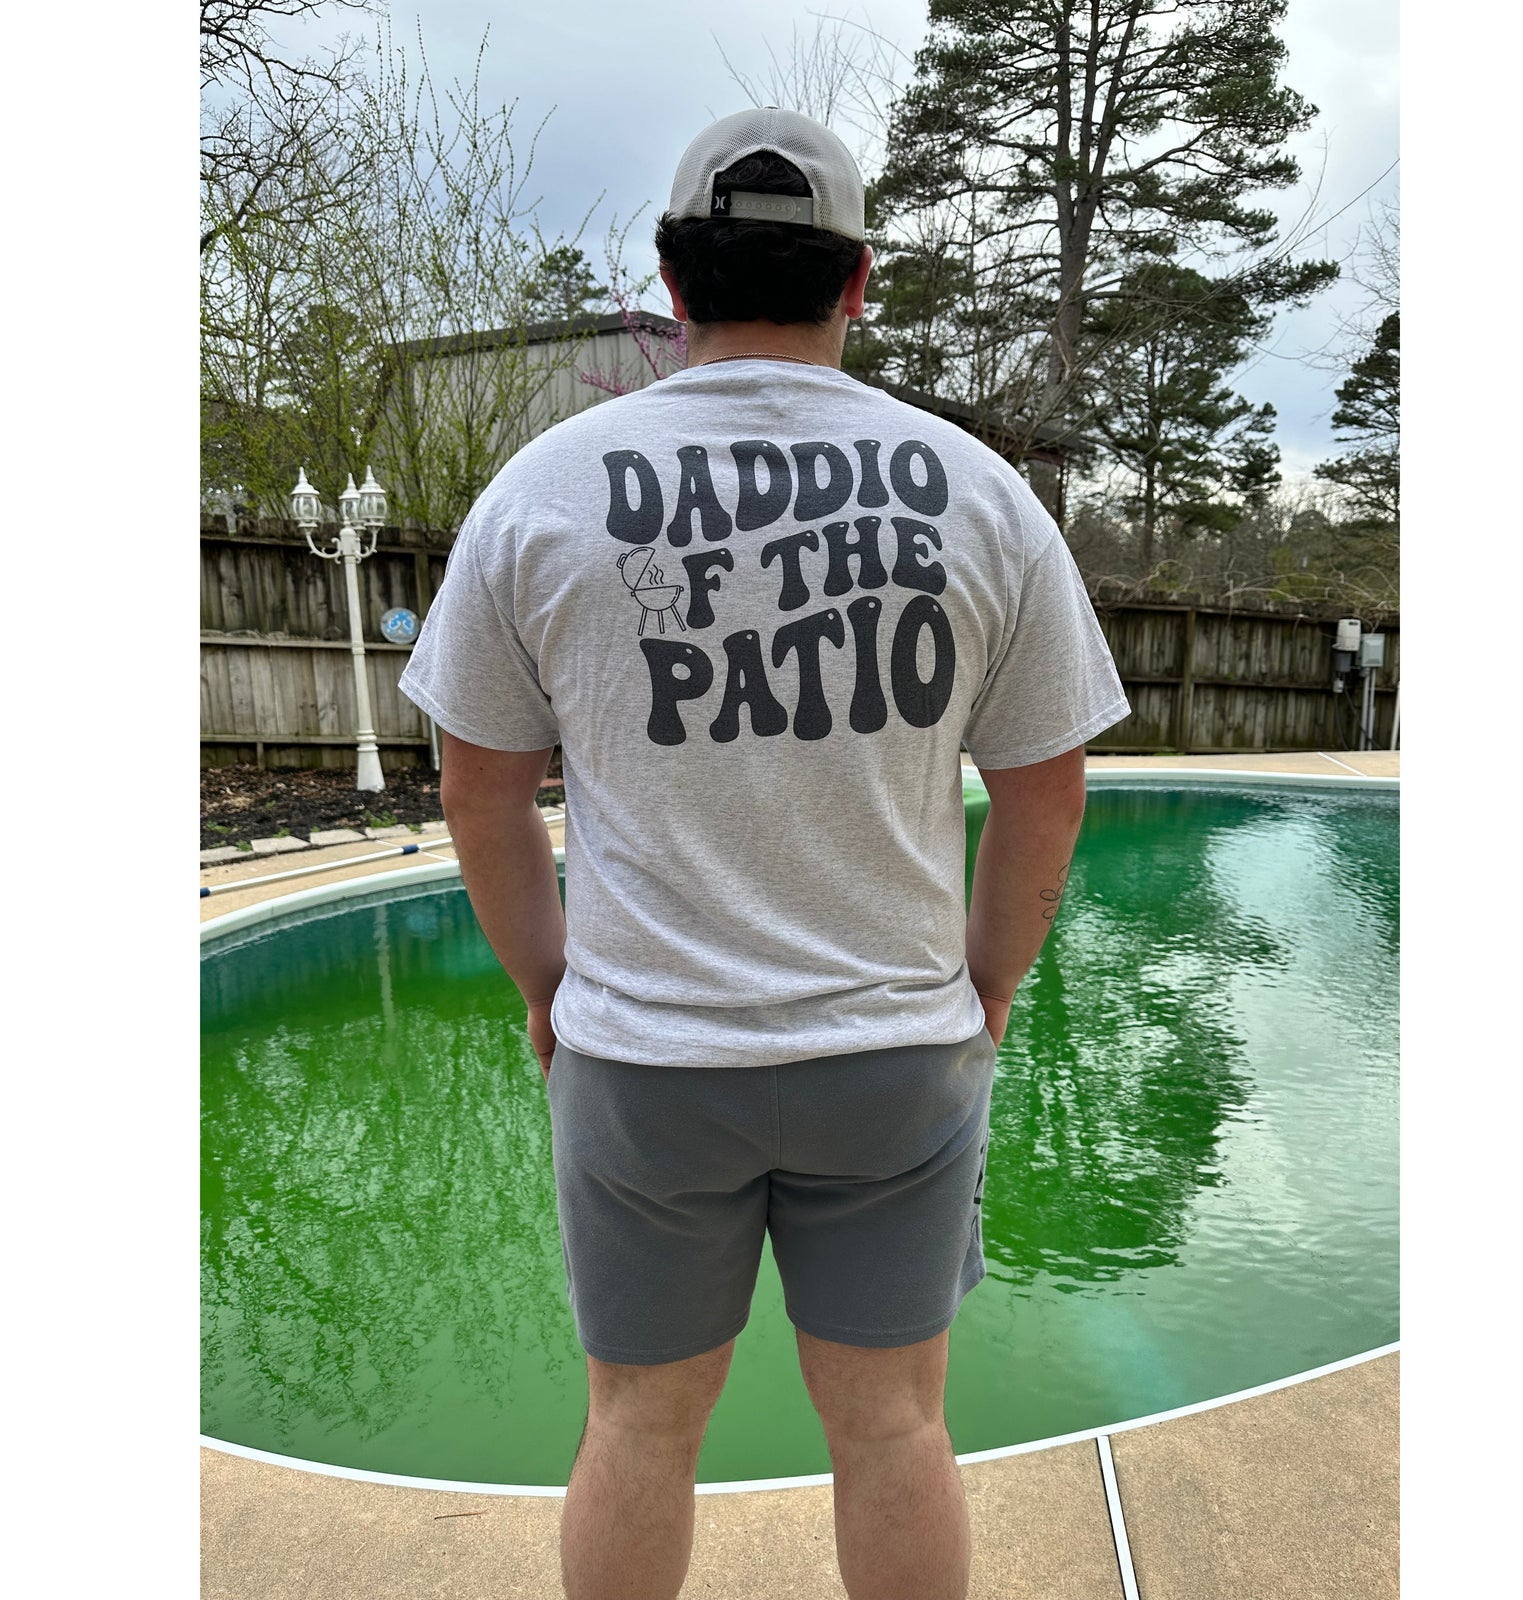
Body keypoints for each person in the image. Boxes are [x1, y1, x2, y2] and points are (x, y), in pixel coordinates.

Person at [399, 106, 1130, 1600]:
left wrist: (549, 986)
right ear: (857, 281)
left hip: (647, 1062)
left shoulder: (541, 492)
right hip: (895, 1059)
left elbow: (479, 793)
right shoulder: (982, 494)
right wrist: (985, 987)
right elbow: (1046, 795)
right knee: (895, 1427)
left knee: (637, 1428)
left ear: (673, 283)